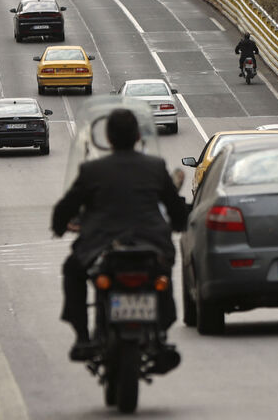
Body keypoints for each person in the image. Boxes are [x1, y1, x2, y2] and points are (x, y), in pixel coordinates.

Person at [51, 109, 189, 362]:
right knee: (163, 274)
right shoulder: (155, 167)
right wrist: (180, 224)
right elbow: (175, 207)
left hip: (102, 245)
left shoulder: (93, 170)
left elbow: (66, 207)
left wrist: (59, 227)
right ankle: (159, 334)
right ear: (138, 136)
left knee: (73, 271)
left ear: (108, 137)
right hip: (152, 243)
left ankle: (83, 336)